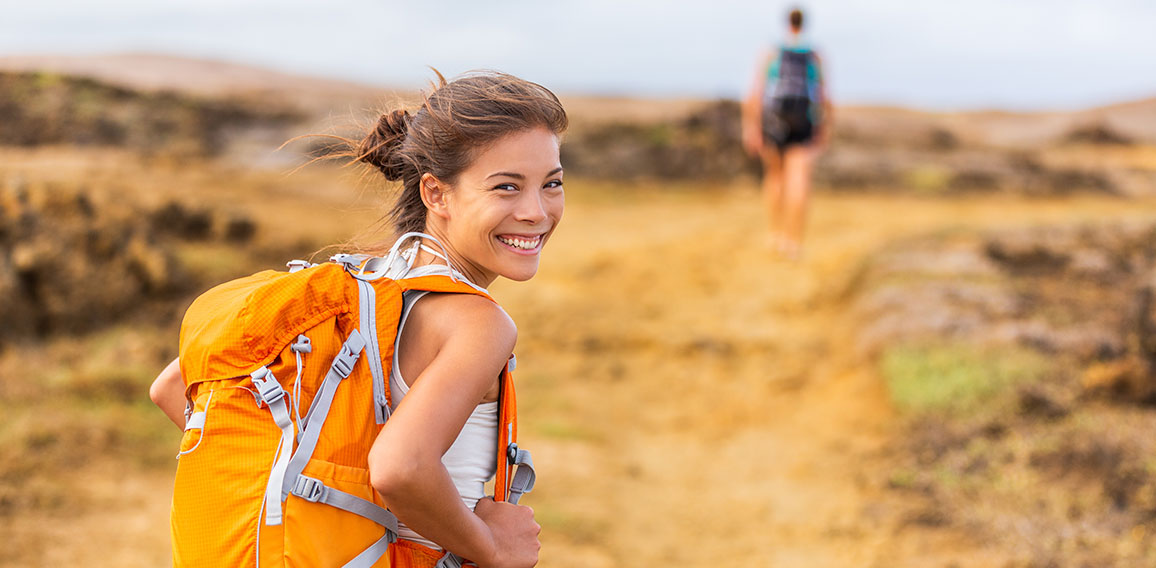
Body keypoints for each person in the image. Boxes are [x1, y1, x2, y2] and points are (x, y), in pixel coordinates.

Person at [149, 71, 568, 568]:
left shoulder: (352, 289)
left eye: (552, 184)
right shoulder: (479, 322)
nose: (536, 211)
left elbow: (173, 387)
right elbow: (400, 467)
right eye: (506, 187)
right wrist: (491, 546)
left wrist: (314, 501)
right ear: (436, 194)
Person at [742, 7, 832, 260]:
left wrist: (751, 127)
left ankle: (775, 234)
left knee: (775, 176)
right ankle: (794, 242)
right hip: (804, 120)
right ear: (805, 24)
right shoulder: (815, 55)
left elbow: (756, 92)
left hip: (774, 120)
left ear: (786, 23)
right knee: (799, 181)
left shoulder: (772, 52)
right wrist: (825, 128)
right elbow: (825, 97)